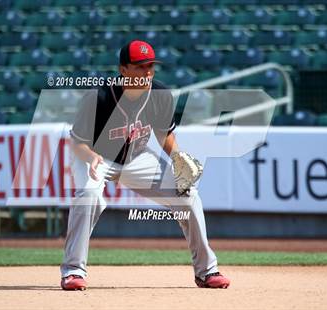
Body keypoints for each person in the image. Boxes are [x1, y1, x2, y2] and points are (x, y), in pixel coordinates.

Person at [60, 40, 230, 290]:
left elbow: (164, 134)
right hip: (96, 157)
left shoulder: (160, 94)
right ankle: (73, 272)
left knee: (188, 195)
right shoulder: (99, 97)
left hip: (136, 158)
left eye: (150, 66)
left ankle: (207, 271)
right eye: (139, 66)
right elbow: (77, 144)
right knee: (88, 196)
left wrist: (176, 155)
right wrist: (90, 157)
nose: (147, 72)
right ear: (123, 69)